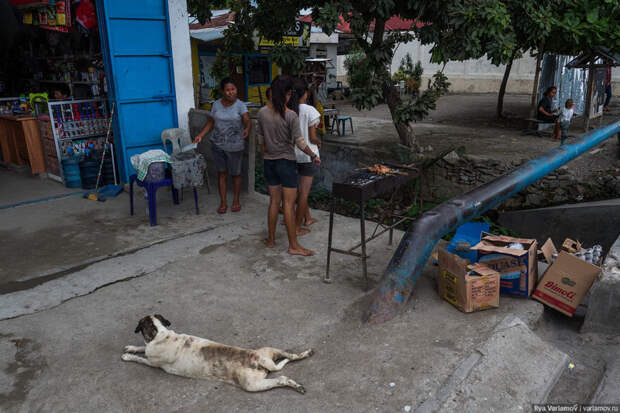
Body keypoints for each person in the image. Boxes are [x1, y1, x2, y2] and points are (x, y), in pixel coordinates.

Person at [257, 75, 321, 256]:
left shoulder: (262, 113)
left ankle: (270, 240)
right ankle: (294, 245)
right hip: (286, 163)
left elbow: (260, 139)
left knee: (273, 202)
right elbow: (300, 142)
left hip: (269, 162)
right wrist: (313, 155)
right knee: (288, 204)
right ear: (286, 94)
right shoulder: (290, 115)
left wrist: (266, 155)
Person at [194, 78, 251, 214]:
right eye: (228, 90)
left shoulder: (240, 105)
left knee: (236, 174)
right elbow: (211, 122)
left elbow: (247, 120)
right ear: (222, 91)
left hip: (235, 146)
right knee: (222, 173)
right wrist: (201, 135)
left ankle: (236, 200)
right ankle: (223, 202)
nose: (231, 92)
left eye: (233, 89)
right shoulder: (216, 105)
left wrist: (247, 129)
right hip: (218, 144)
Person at [287, 78, 322, 233]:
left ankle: (307, 218)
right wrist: (319, 142)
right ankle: (296, 227)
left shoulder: (288, 109)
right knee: (304, 193)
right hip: (308, 155)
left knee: (299, 190)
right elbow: (312, 137)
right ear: (305, 94)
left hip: (292, 154)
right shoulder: (310, 111)